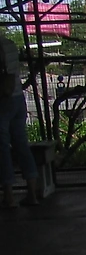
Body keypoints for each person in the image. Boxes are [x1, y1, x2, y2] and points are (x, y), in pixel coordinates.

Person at [1, 35, 42, 209]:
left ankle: (9, 196)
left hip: (2, 99)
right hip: (18, 98)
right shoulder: (10, 44)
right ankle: (32, 193)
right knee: (22, 145)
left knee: (2, 148)